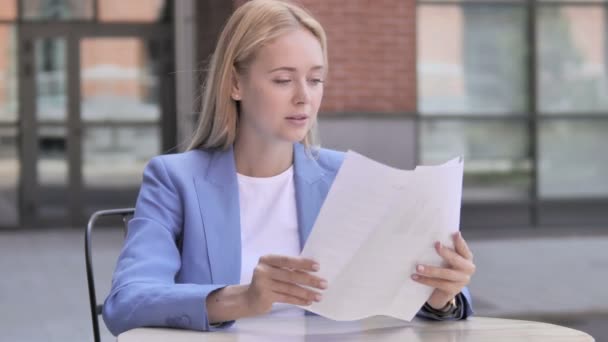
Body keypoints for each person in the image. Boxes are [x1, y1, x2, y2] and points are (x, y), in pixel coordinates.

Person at [102, 0, 476, 336]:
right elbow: (127, 303)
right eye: (283, 79)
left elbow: (401, 301)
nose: (304, 96)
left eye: (315, 80)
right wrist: (243, 299)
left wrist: (439, 295)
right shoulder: (175, 180)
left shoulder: (346, 177)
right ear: (235, 83)